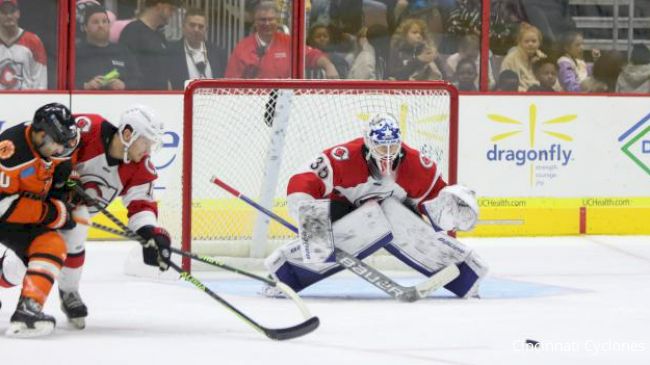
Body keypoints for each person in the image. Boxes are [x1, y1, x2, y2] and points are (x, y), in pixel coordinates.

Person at [264, 113, 487, 299]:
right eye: (381, 147)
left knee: (387, 212)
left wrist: (450, 206)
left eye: (393, 145)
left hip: (391, 214)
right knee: (369, 218)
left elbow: (435, 201)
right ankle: (285, 272)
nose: (388, 153)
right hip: (342, 210)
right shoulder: (343, 158)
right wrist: (312, 224)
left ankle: (465, 274)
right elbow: (302, 181)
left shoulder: (415, 165)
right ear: (369, 144)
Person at [53, 104, 171, 329]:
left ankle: (68, 292)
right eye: (145, 142)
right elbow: (55, 151)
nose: (147, 150)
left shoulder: (139, 166)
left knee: (78, 227)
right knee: (17, 263)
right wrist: (65, 175)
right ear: (128, 133)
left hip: (74, 213)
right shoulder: (88, 129)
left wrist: (150, 234)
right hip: (46, 201)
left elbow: (141, 205)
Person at [0, 103, 79, 337]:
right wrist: (54, 213)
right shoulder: (10, 152)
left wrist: (69, 192)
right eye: (58, 143)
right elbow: (3, 206)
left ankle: (28, 311)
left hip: (19, 213)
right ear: (41, 134)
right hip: (6, 209)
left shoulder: (55, 150)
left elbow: (58, 185)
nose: (62, 150)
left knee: (51, 245)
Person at [225, 1, 338, 79]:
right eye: (262, 20)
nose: (267, 23)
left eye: (271, 19)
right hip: (253, 105)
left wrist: (329, 66)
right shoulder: (242, 49)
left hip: (284, 102)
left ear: (277, 21)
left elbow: (313, 55)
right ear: (255, 22)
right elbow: (230, 84)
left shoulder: (288, 42)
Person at [75, 4, 141, 90]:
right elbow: (63, 83)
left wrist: (124, 85)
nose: (101, 25)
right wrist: (85, 86)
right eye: (95, 22)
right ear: (85, 27)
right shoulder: (76, 53)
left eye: (104, 21)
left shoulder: (122, 51)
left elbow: (139, 81)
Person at [118, 0, 182, 89]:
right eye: (171, 9)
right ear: (159, 6)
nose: (172, 14)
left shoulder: (160, 35)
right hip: (141, 96)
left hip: (159, 97)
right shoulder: (132, 31)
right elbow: (126, 68)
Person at [169, 7, 226, 89]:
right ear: (183, 27)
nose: (196, 29)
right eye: (192, 25)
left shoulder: (218, 53)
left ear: (206, 29)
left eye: (201, 26)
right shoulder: (171, 52)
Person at [0, 0, 46, 90]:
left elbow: (41, 83)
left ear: (18, 13)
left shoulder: (34, 41)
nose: (9, 16)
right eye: (3, 12)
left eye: (12, 11)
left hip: (26, 102)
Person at [500, 23, 554, 91]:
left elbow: (554, 82)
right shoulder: (510, 60)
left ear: (539, 43)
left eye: (534, 41)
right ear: (520, 42)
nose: (530, 44)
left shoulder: (543, 58)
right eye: (526, 41)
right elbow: (505, 84)